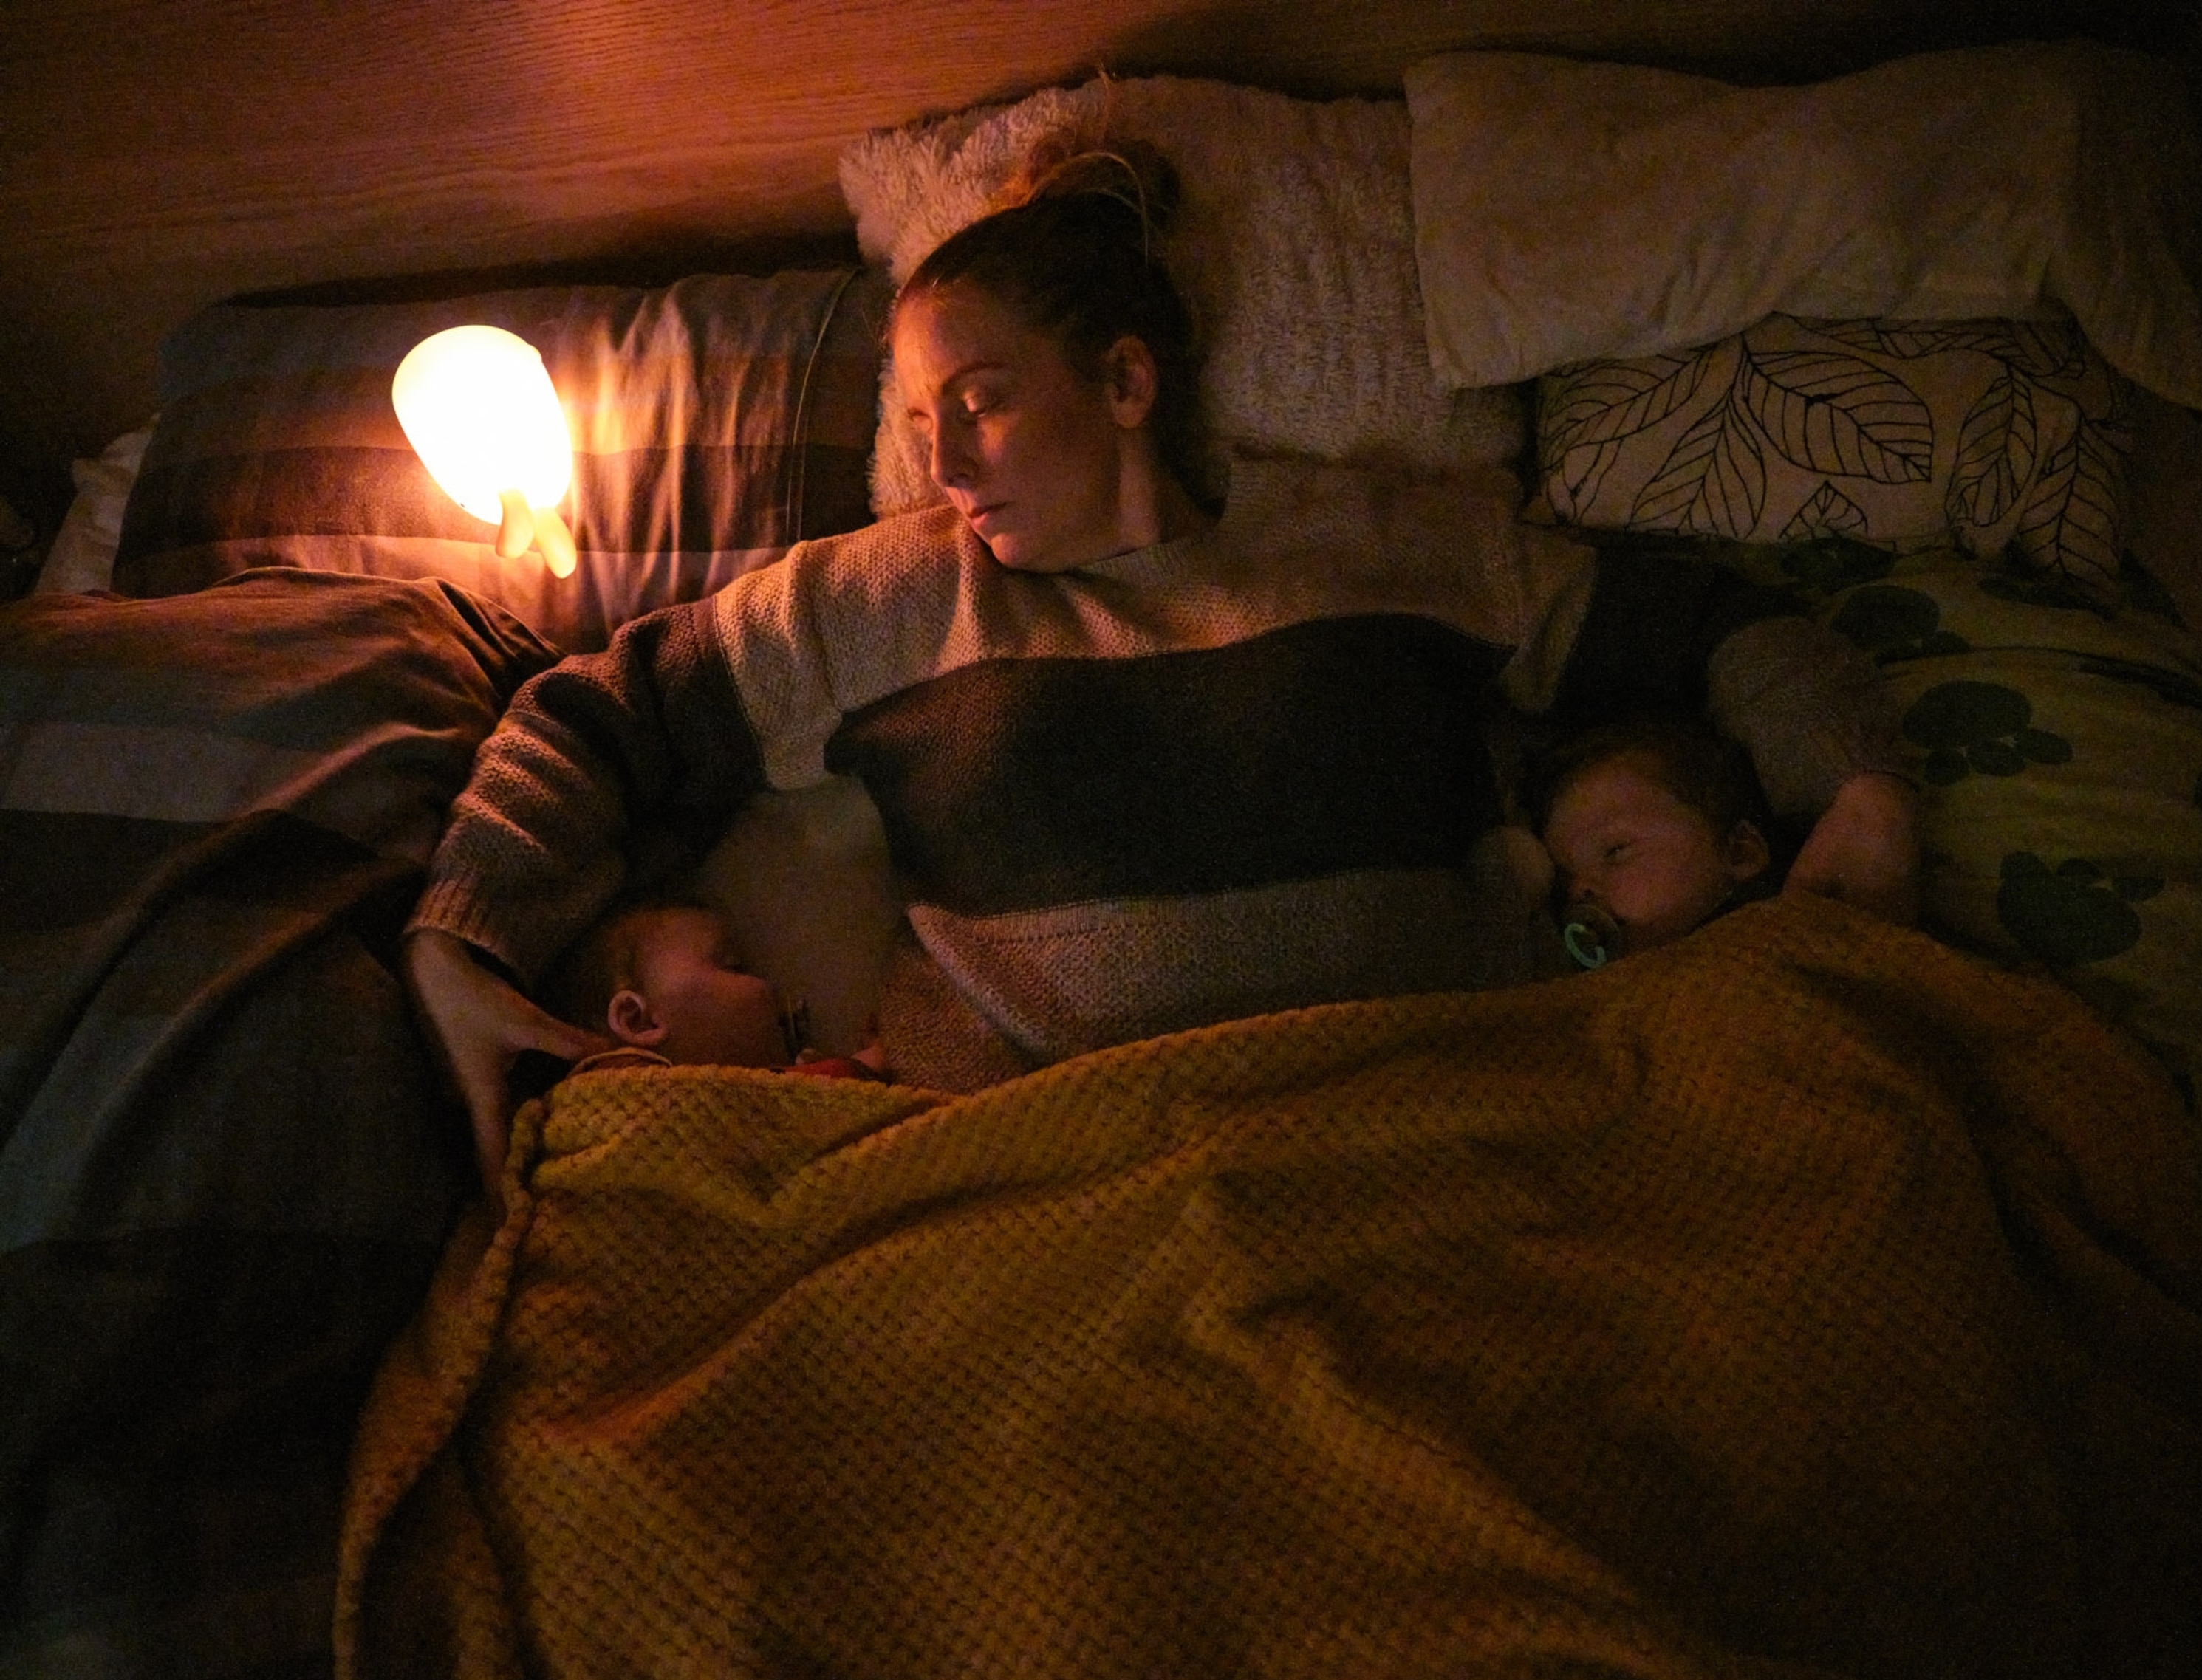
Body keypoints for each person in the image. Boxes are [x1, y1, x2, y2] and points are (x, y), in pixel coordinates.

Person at [405, 136, 1922, 1193]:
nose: (943, 463)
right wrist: (461, 940)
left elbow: (1720, 623)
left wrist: (1853, 784)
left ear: (1126, 381)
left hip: (1450, 1136)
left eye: (982, 403)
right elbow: (591, 717)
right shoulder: (883, 599)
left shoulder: (1390, 542)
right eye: (920, 419)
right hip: (1055, 1184)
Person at [1532, 716, 1901, 965]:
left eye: (1615, 852)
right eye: (1565, 882)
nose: (1580, 891)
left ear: (1740, 852)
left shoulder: (1786, 930)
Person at [541, 899, 889, 1078]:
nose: (768, 987)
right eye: (733, 966)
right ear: (639, 1020)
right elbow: (795, 1096)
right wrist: (867, 1063)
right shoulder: (634, 1092)